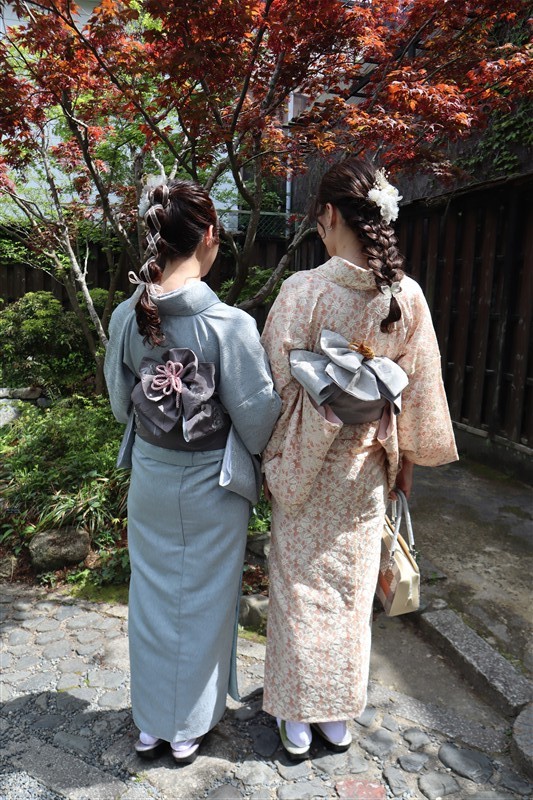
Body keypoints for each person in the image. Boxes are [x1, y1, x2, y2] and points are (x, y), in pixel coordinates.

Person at [260, 157, 458, 759]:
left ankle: (296, 714)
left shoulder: (303, 291)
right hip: (366, 467)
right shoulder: (406, 296)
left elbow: (275, 388)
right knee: (349, 595)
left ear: (328, 215)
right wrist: (406, 466)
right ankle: (336, 715)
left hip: (305, 463)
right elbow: (419, 390)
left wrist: (272, 453)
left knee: (298, 589)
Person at [104, 179, 281, 764]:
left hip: (152, 480)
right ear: (208, 235)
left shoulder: (127, 317)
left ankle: (153, 724)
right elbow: (257, 421)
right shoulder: (227, 324)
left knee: (152, 600)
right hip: (213, 486)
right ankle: (187, 728)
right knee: (204, 601)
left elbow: (120, 404)